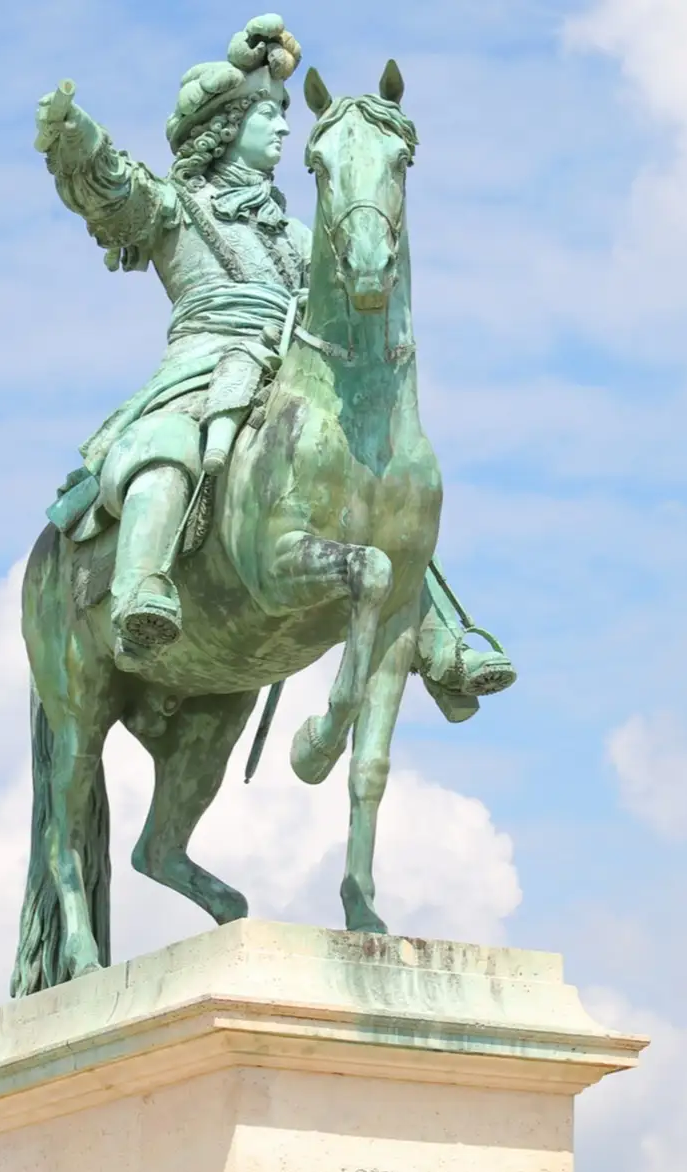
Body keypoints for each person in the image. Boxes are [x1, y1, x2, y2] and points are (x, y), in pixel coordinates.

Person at [33, 15, 513, 708]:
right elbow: (119, 192)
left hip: (295, 366)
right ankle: (142, 586)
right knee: (166, 442)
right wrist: (78, 140)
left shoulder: (296, 230)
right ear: (225, 128)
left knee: (380, 474)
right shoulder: (182, 208)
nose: (284, 132)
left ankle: (440, 633)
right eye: (268, 117)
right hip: (208, 359)